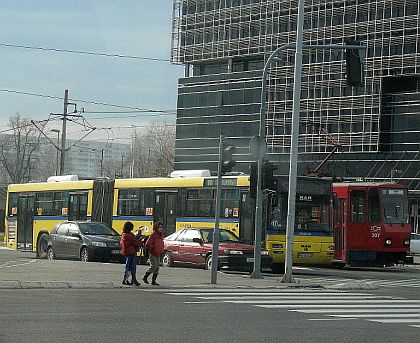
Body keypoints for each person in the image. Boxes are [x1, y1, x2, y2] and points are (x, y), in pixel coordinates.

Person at [120, 221, 143, 286]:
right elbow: (135, 241)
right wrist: (141, 242)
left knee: (130, 266)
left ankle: (131, 279)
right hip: (130, 252)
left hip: (128, 252)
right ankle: (127, 280)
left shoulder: (124, 234)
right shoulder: (128, 235)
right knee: (130, 266)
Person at [142, 221, 164, 286]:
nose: (161, 228)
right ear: (156, 228)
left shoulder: (161, 235)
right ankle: (145, 277)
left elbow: (161, 243)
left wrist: (161, 250)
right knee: (153, 266)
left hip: (158, 253)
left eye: (161, 227)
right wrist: (153, 249)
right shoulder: (153, 235)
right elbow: (148, 243)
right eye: (159, 227)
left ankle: (153, 281)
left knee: (157, 268)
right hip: (153, 253)